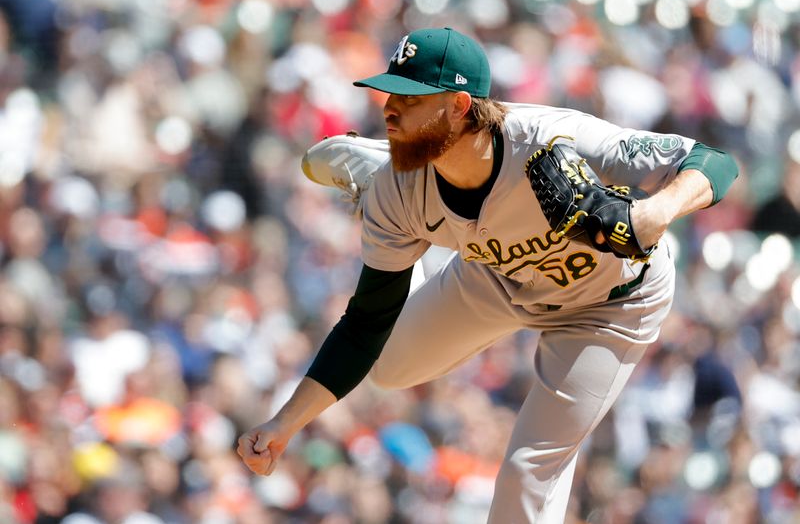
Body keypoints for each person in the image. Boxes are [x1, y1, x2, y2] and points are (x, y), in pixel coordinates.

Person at [238, 27, 738, 523]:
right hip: (496, 276)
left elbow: (714, 163)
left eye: (411, 98)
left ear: (459, 105)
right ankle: (378, 176)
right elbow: (366, 322)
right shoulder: (402, 191)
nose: (390, 106)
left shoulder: (553, 139)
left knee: (529, 470)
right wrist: (285, 423)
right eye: (390, 92)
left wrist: (657, 212)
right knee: (387, 366)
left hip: (609, 304)